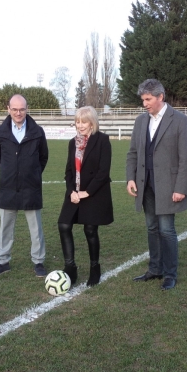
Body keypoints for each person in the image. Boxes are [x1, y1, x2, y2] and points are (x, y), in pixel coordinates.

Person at [126, 79, 187, 290]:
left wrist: (180, 188)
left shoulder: (180, 120)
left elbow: (186, 158)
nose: (144, 103)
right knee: (151, 228)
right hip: (145, 185)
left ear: (160, 97)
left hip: (168, 186)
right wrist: (130, 178)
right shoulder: (140, 121)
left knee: (167, 230)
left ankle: (170, 274)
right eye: (143, 99)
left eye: (148, 99)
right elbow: (133, 154)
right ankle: (155, 269)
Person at [0, 94, 49, 278]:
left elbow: (43, 158)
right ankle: (3, 261)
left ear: (27, 108)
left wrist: (32, 174)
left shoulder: (37, 131)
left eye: (21, 109)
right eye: (14, 109)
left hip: (31, 187)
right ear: (8, 109)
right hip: (8, 187)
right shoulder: (0, 132)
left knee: (35, 228)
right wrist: (10, 172)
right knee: (5, 227)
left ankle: (38, 262)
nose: (18, 112)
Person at [58, 106, 113, 287]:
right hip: (75, 192)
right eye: (78, 122)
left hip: (94, 193)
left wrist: (86, 193)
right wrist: (71, 192)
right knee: (64, 224)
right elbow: (68, 171)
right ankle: (70, 268)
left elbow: (103, 172)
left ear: (92, 123)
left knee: (90, 229)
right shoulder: (72, 142)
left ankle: (94, 268)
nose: (80, 125)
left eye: (84, 122)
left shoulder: (103, 140)